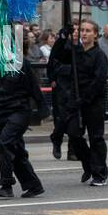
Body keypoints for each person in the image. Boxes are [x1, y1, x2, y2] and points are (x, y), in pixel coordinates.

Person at [0, 36, 46, 199]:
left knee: (4, 144)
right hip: (2, 114)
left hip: (19, 112)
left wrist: (43, 110)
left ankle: (6, 185)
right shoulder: (0, 66)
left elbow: (35, 88)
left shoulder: (23, 65)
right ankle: (34, 185)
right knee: (17, 151)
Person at [51, 19, 108, 185]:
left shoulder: (100, 56)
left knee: (96, 137)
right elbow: (57, 56)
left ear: (96, 35)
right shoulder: (75, 51)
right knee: (74, 133)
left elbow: (98, 81)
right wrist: (63, 36)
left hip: (92, 102)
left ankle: (100, 174)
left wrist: (84, 99)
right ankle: (89, 163)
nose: (84, 33)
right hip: (75, 102)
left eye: (88, 31)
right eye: (82, 30)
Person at [46, 24, 75, 161]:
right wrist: (52, 78)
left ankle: (73, 150)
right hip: (63, 86)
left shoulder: (83, 46)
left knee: (76, 121)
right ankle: (57, 138)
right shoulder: (63, 44)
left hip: (77, 86)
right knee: (62, 118)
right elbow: (53, 59)